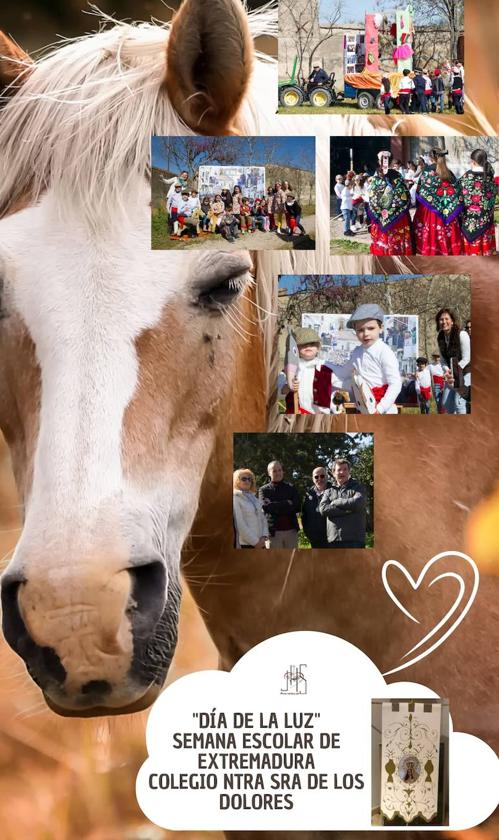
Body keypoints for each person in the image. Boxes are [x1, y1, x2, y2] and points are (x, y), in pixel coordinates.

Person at [328, 304, 402, 415]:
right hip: (363, 406)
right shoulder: (357, 352)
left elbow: (395, 383)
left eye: (371, 328)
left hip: (384, 410)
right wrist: (323, 369)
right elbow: (343, 373)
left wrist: (380, 408)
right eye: (360, 330)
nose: (366, 333)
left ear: (381, 328)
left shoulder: (384, 352)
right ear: (355, 332)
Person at [413, 148, 463, 256]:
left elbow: (419, 191)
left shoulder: (426, 172)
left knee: (430, 231)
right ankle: (447, 250)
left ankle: (431, 251)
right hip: (447, 209)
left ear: (431, 158)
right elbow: (458, 191)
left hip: (428, 211)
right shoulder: (449, 173)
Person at [281, 327, 337, 414]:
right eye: (303, 344)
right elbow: (279, 392)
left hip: (319, 418)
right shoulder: (289, 369)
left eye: (312, 343)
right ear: (296, 349)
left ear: (318, 347)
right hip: (295, 418)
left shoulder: (327, 368)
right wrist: (288, 386)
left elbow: (341, 386)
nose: (308, 346)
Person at [367, 151, 413, 255]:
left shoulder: (376, 177)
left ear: (379, 161)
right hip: (398, 217)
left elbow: (372, 197)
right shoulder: (397, 175)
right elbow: (404, 194)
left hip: (381, 216)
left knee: (383, 238)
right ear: (391, 161)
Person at [319, 459, 367, 549]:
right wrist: (348, 510)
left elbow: (358, 503)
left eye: (345, 469)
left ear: (349, 472)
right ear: (333, 473)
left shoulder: (358, 487)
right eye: (339, 470)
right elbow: (323, 509)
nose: (342, 472)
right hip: (334, 540)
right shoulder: (328, 491)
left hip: (355, 540)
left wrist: (337, 502)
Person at [459, 149, 497, 256]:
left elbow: (459, 196)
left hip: (468, 221)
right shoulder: (490, 177)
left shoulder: (466, 177)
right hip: (485, 222)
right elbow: (492, 198)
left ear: (474, 162)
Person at [436, 308, 471, 415]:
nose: (444, 322)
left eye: (447, 319)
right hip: (451, 374)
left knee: (459, 403)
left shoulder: (462, 334)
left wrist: (454, 371)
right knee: (446, 403)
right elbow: (442, 360)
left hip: (465, 372)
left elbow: (466, 358)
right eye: (441, 319)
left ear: (452, 321)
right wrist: (447, 370)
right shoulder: (440, 337)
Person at [258, 461, 300, 549]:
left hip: (291, 532)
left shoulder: (291, 487)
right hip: (273, 533)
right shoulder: (263, 490)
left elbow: (296, 506)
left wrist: (274, 505)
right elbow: (267, 508)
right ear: (269, 473)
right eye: (274, 471)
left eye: (280, 470)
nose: (278, 473)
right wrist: (287, 502)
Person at [233, 469, 268, 548]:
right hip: (246, 544)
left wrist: (264, 536)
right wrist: (255, 542)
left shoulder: (254, 498)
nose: (247, 481)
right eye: (244, 479)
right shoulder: (235, 498)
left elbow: (263, 518)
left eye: (249, 479)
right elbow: (239, 524)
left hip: (261, 542)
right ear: (236, 481)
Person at [301, 467, 331, 549]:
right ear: (313, 478)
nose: (319, 479)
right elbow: (304, 515)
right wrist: (308, 532)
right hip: (314, 539)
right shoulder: (308, 494)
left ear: (327, 476)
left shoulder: (334, 491)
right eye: (316, 477)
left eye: (322, 476)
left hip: (331, 539)